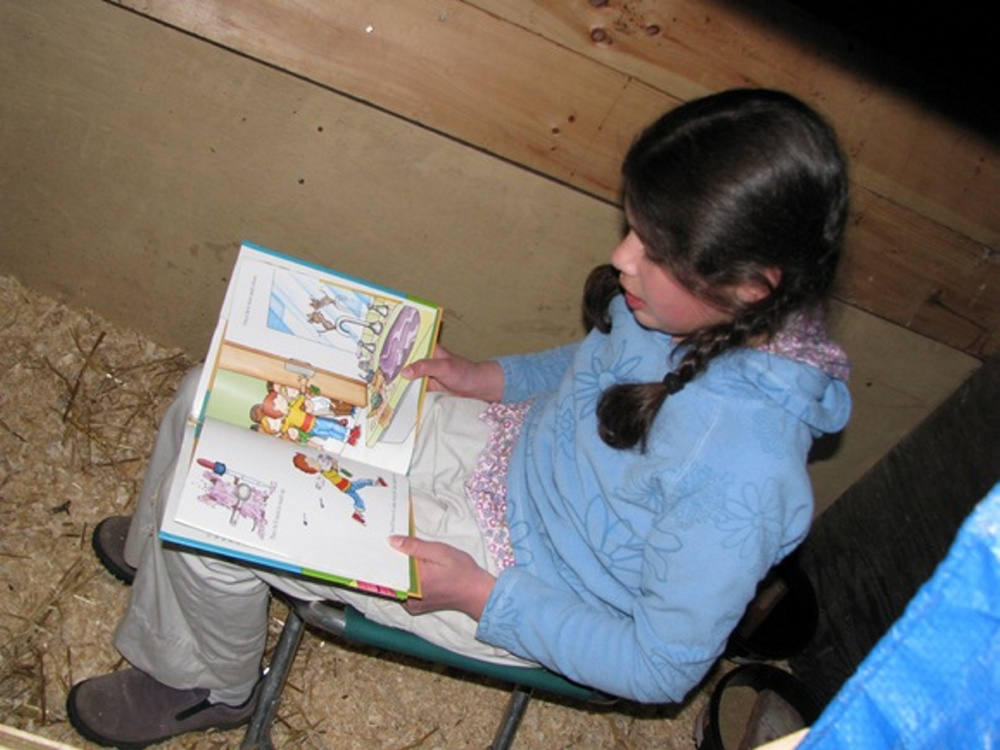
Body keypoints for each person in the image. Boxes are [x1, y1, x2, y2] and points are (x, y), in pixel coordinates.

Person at [67, 88, 852, 747]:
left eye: (654, 249)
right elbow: (597, 364)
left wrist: (482, 596)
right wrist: (489, 378)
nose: (621, 258)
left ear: (753, 284)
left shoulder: (741, 476)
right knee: (215, 385)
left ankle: (204, 681)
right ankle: (167, 582)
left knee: (216, 527)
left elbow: (661, 668)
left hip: (523, 578)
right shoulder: (692, 309)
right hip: (504, 451)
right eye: (631, 228)